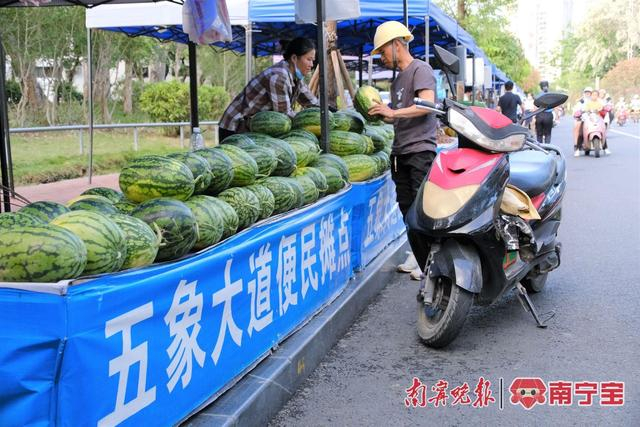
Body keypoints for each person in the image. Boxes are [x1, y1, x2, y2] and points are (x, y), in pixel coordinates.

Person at [366, 21, 438, 280]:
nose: (382, 58)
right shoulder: (397, 81)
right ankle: (423, 261)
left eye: (383, 51)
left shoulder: (421, 69)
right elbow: (399, 116)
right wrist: (382, 115)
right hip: (400, 153)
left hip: (420, 151)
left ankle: (434, 265)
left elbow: (427, 105)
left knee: (422, 211)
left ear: (397, 45)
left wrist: (393, 113)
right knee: (408, 212)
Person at [218, 38, 318, 140]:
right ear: (294, 58)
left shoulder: (296, 78)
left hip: (249, 128)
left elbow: (312, 103)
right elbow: (284, 116)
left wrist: (325, 113)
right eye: (309, 59)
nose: (311, 65)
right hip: (234, 127)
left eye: (313, 61)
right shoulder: (279, 76)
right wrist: (310, 120)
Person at [573, 87, 592, 157]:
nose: (587, 94)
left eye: (589, 92)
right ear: (584, 93)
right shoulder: (581, 101)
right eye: (586, 92)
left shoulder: (594, 101)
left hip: (592, 120)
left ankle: (605, 147)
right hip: (583, 119)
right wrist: (578, 113)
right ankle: (577, 148)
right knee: (580, 132)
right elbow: (576, 110)